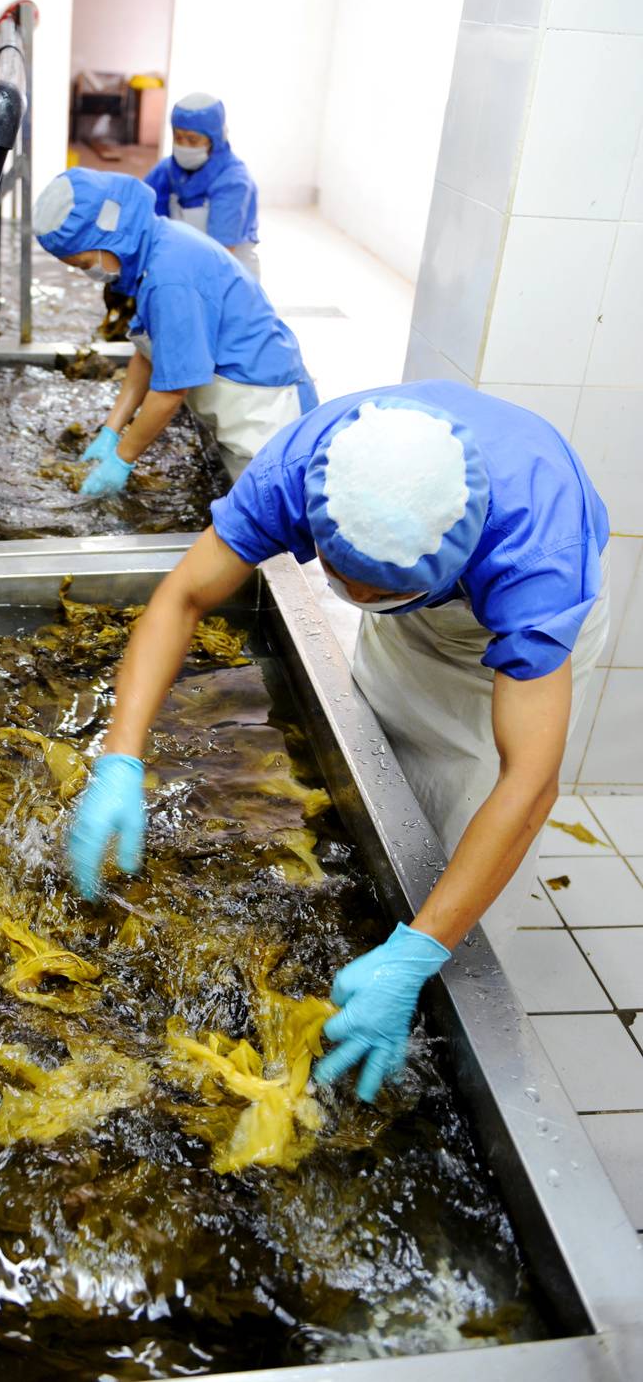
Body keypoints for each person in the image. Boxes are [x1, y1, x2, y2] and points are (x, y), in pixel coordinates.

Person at [66, 382, 610, 1103]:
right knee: (390, 778)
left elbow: (530, 779)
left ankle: (430, 986)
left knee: (473, 803)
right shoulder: (310, 467)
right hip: (419, 622)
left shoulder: (539, 556)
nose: (347, 591)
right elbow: (184, 597)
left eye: (369, 591)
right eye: (338, 577)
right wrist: (120, 755)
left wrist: (420, 951)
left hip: (504, 648)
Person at [34, 168, 316, 496]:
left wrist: (122, 460)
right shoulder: (155, 248)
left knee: (265, 517)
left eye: (84, 264)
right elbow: (148, 354)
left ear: (108, 234)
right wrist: (110, 432)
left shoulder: (170, 278)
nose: (88, 274)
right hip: (239, 402)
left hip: (264, 410)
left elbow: (171, 392)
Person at [145, 93, 261, 278]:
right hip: (183, 262)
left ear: (213, 140)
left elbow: (221, 254)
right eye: (178, 137)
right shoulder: (167, 171)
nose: (183, 146)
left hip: (229, 272)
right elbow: (144, 218)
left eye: (192, 140)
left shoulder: (233, 181)